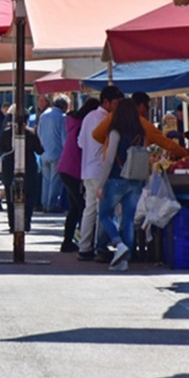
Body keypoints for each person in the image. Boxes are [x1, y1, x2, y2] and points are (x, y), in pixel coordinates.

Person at [96, 99, 150, 272]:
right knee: (128, 219)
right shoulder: (141, 132)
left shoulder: (115, 132)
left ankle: (118, 245)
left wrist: (100, 184)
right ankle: (124, 260)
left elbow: (109, 159)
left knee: (104, 214)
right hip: (136, 180)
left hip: (116, 179)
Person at [77, 86, 123, 261]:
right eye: (116, 102)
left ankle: (84, 247)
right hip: (100, 170)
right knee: (103, 211)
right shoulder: (108, 120)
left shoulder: (88, 117)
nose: (117, 106)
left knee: (90, 210)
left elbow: (80, 142)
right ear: (106, 102)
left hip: (87, 169)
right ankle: (101, 248)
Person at [57, 98, 101, 253]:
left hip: (65, 168)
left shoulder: (74, 122)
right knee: (83, 207)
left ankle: (68, 241)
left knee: (76, 207)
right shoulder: (85, 125)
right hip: (74, 169)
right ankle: (84, 241)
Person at [0, 105, 44, 233]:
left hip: (9, 168)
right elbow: (40, 150)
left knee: (10, 196)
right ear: (27, 119)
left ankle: (13, 224)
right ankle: (26, 222)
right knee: (29, 196)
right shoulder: (31, 133)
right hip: (29, 169)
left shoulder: (6, 133)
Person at [37, 95, 69, 213]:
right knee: (55, 181)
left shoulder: (44, 115)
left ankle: (44, 203)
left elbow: (39, 133)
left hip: (44, 152)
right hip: (57, 152)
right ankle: (51, 204)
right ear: (64, 106)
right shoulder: (62, 117)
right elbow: (64, 137)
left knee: (46, 180)